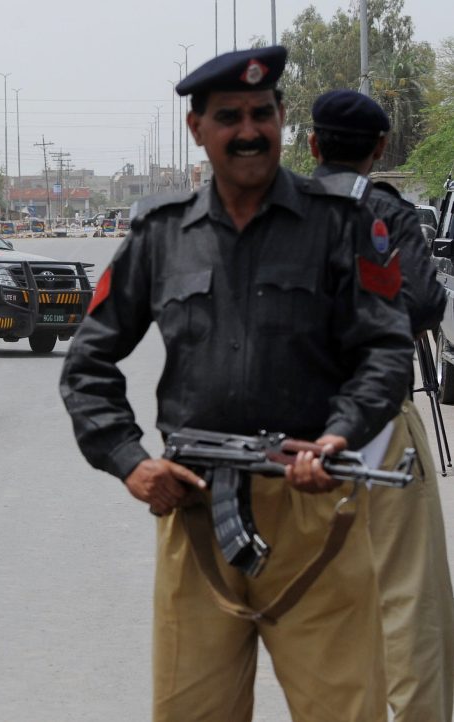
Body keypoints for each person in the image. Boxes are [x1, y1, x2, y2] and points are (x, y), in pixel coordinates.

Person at [60, 46, 414, 721]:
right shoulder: (160, 235)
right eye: (229, 117)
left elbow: (386, 350)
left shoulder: (339, 225)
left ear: (283, 118)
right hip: (195, 518)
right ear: (198, 129)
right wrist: (131, 463)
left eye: (261, 114)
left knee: (348, 710)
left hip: (316, 516)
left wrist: (339, 436)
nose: (248, 130)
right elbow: (88, 365)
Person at [310, 88, 454, 722]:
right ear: (378, 151)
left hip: (296, 436)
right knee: (410, 604)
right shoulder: (386, 212)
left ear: (312, 146)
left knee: (319, 609)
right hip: (380, 428)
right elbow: (425, 303)